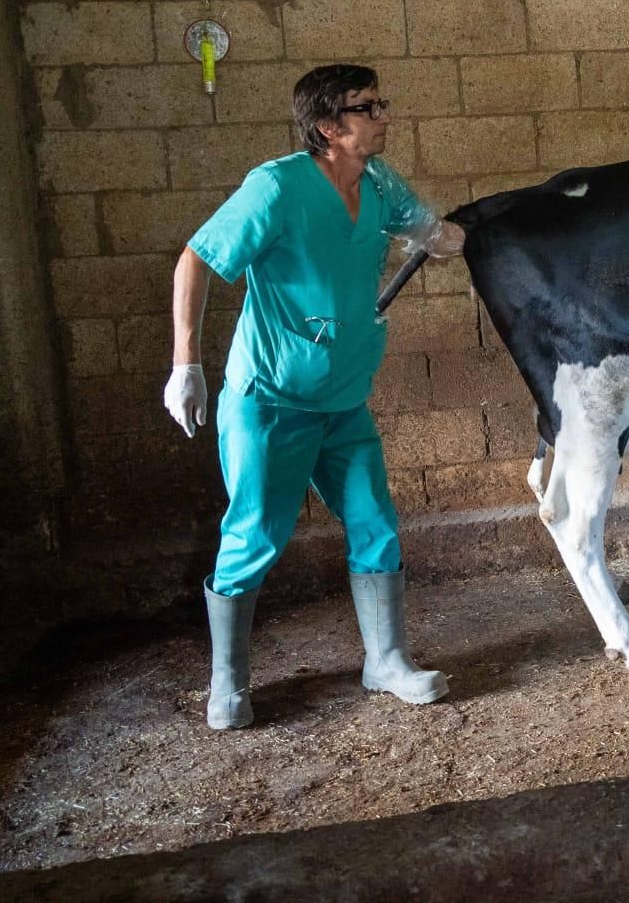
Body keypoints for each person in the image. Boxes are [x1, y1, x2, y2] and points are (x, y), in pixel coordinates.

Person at [162, 64, 465, 730]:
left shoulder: (380, 184)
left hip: (343, 399)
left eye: (381, 102)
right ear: (329, 127)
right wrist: (187, 363)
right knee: (254, 536)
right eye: (367, 107)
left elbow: (431, 232)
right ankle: (229, 684)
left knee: (375, 524)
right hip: (270, 400)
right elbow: (196, 259)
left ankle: (385, 661)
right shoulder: (275, 188)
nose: (383, 115)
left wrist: (461, 235)